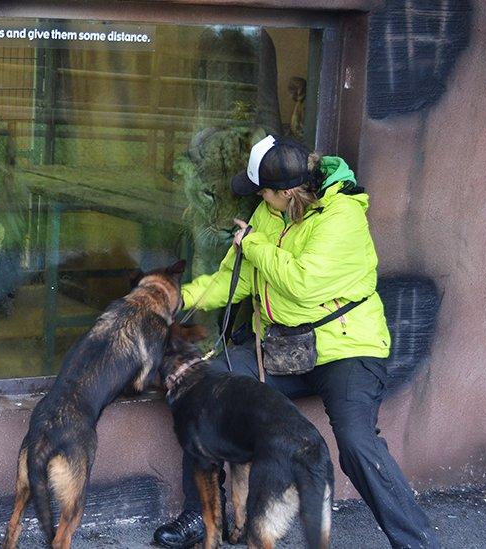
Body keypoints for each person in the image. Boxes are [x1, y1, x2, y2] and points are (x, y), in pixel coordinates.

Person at [153, 135, 440, 548]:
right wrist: (172, 299)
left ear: (286, 192)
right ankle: (201, 514)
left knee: (357, 443)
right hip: (285, 350)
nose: (257, 198)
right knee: (207, 385)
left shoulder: (343, 216)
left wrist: (251, 243)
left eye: (262, 191)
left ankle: (417, 541)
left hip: (347, 349)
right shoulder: (271, 214)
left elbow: (303, 283)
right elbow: (232, 280)